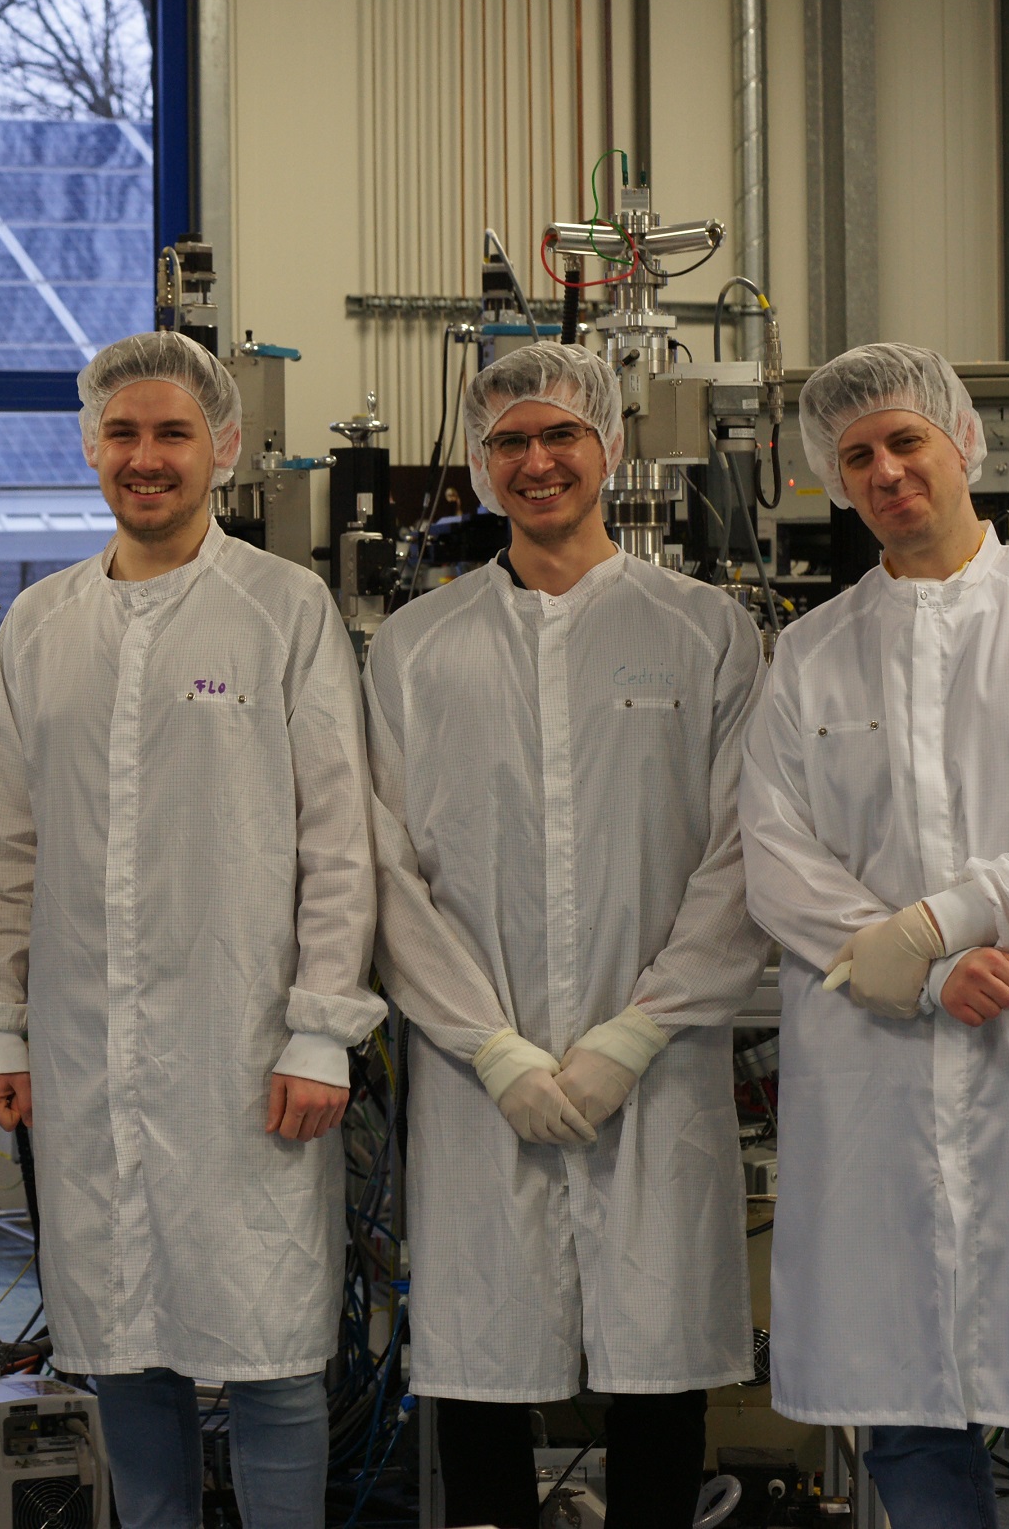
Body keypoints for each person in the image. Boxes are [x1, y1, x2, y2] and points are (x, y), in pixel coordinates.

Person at [741, 343, 1009, 1529]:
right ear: (835, 480)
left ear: (962, 444)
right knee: (905, 1411)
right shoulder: (812, 655)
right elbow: (777, 859)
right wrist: (924, 972)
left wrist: (947, 920)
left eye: (905, 441)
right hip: (877, 1070)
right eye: (857, 456)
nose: (886, 471)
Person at [0, 330, 379, 1529]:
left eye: (171, 434)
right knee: (121, 1333)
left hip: (243, 1043)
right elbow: (9, 847)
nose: (144, 458)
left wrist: (320, 1030)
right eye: (122, 434)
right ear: (89, 446)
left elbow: (336, 838)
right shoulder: (39, 622)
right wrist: (1, 1029)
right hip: (83, 1049)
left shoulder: (282, 608)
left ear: (223, 449)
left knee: (270, 1343)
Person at [363, 343, 768, 1529]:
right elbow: (385, 868)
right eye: (509, 442)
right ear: (480, 464)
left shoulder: (704, 631)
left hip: (658, 1061)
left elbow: (742, 853)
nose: (535, 462)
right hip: (475, 1071)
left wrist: (633, 1036)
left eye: (560, 436)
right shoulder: (417, 647)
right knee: (481, 1359)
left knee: (658, 1359)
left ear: (611, 447)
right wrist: (491, 1049)